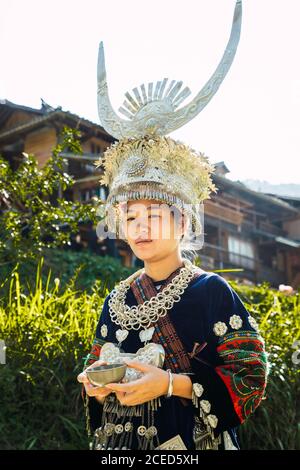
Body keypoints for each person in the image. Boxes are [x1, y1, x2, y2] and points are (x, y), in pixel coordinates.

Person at [77, 0, 269, 450]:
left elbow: (251, 376)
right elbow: (96, 365)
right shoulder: (118, 299)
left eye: (154, 215)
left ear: (184, 221)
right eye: (129, 217)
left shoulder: (212, 292)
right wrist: (93, 384)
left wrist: (170, 384)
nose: (140, 227)